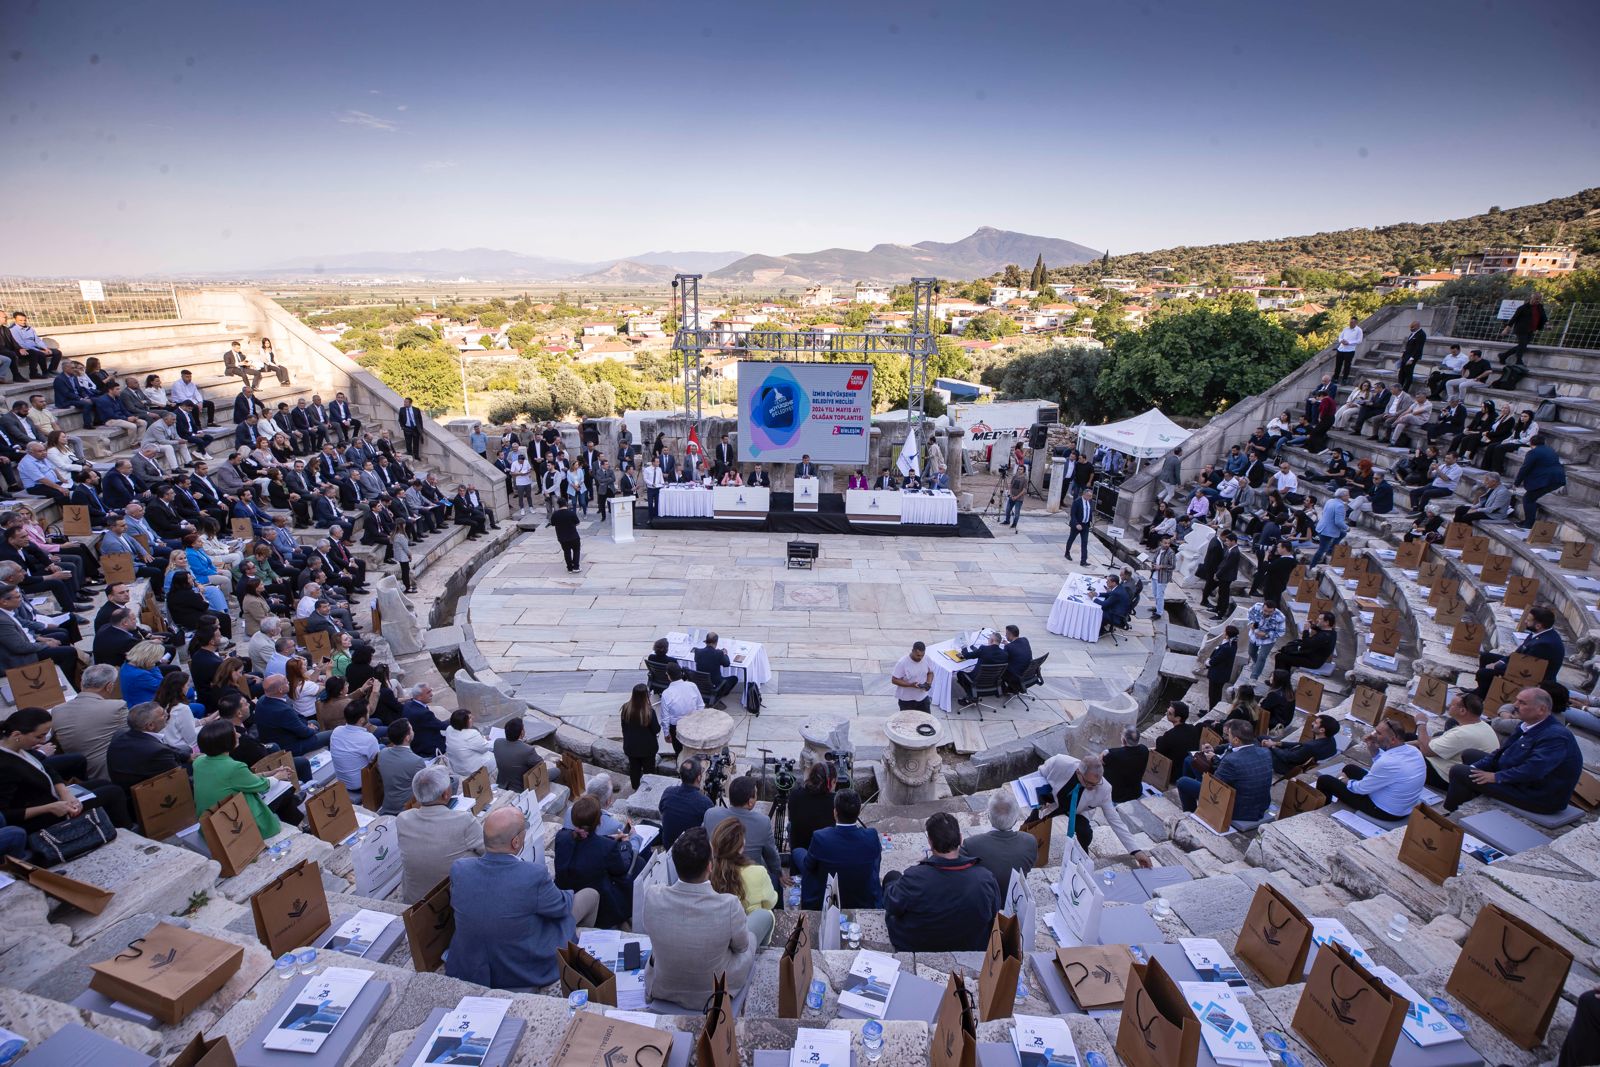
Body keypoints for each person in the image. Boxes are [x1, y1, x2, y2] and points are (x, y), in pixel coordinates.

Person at [447, 807, 592, 990]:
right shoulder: (533, 875)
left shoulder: (460, 869)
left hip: (471, 964)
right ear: (515, 842)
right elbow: (561, 907)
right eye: (524, 830)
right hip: (519, 965)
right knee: (589, 895)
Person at [642, 827, 758, 1009]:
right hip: (712, 992)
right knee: (752, 937)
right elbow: (741, 946)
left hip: (665, 985)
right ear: (710, 867)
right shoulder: (728, 905)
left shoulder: (652, 896)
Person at [1444, 687, 1582, 814]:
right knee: (1470, 755)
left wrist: (1496, 777)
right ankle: (1469, 794)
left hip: (1537, 795)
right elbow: (1500, 752)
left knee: (1458, 771)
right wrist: (1474, 767)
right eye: (1517, 700)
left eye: (1522, 703)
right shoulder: (1526, 724)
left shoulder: (1556, 736)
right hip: (1521, 780)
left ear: (1541, 709)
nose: (1515, 705)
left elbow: (1534, 771)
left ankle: (1451, 815)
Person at [882, 812, 1000, 952]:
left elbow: (891, 904)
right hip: (970, 942)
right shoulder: (984, 878)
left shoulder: (914, 878)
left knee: (891, 877)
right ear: (960, 839)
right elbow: (994, 910)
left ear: (930, 843)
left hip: (918, 942)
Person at [1035, 753, 1151, 862]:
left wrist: (1136, 850)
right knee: (1033, 821)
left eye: (1096, 783)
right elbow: (1039, 774)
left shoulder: (1104, 789)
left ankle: (1081, 858)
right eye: (1088, 782)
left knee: (1085, 833)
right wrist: (1041, 797)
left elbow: (1115, 820)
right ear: (1078, 772)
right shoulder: (1060, 762)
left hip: (1079, 810)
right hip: (1054, 799)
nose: (1092, 787)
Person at [397, 764, 486, 903]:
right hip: (452, 900)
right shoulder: (464, 820)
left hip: (414, 898)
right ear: (446, 794)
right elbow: (489, 851)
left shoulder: (402, 819)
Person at [191, 719, 292, 837]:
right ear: (225, 742)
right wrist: (279, 776)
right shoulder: (234, 767)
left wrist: (271, 773)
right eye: (234, 733)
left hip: (210, 821)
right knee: (284, 792)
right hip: (233, 822)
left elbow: (241, 779)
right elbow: (262, 785)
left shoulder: (198, 762)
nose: (239, 735)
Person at [1315, 718, 1423, 819]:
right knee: (1349, 768)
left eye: (1378, 733)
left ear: (1393, 740)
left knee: (1325, 780)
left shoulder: (1387, 762)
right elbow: (1387, 770)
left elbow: (1360, 789)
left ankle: (1319, 812)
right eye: (1375, 731)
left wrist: (1342, 779)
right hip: (1402, 805)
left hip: (1385, 811)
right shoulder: (1413, 751)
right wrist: (1373, 749)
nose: (1373, 735)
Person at [554, 795, 634, 930]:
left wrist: (609, 839)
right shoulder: (606, 847)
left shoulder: (561, 837)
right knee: (634, 867)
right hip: (599, 904)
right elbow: (621, 868)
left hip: (567, 890)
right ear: (599, 822)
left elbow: (586, 844)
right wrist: (626, 845)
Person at [792, 788, 882, 909]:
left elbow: (808, 866)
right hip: (862, 896)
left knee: (798, 852)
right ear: (859, 811)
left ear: (835, 812)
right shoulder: (871, 835)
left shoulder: (821, 837)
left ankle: (808, 900)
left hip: (829, 893)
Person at [1175, 719, 1272, 825]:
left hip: (1239, 811)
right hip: (1260, 806)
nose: (1227, 738)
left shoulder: (1231, 760)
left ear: (1236, 740)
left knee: (1182, 782)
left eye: (1229, 735)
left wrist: (1211, 763)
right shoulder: (1265, 752)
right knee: (1192, 762)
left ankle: (1194, 818)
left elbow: (1212, 787)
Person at [701, 774, 783, 897]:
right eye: (756, 794)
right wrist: (779, 873)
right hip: (748, 877)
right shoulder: (763, 822)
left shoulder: (711, 814)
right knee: (775, 879)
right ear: (750, 802)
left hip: (717, 874)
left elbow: (702, 842)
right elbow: (771, 855)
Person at [47, 664, 127, 780]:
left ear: (81, 683)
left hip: (78, 775)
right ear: (109, 687)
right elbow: (132, 738)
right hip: (111, 774)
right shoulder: (117, 706)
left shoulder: (57, 710)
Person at [709, 817, 778, 946]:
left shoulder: (707, 871)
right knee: (765, 914)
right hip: (746, 937)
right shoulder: (758, 872)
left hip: (716, 931)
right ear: (741, 845)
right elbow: (771, 901)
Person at [1413, 692, 1496, 789]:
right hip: (1465, 771)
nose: (1448, 706)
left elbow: (1426, 751)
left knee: (1404, 756)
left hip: (1446, 778)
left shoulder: (1462, 734)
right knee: (1413, 738)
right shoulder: (1482, 725)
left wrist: (1421, 723)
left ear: (1462, 711)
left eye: (1452, 705)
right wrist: (1410, 743)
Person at [1475, 606, 1564, 697]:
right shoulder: (1540, 633)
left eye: (1528, 620)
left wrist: (1496, 667)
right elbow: (1517, 653)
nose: (1525, 622)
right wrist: (1500, 662)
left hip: (1533, 678)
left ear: (1538, 625)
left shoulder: (1544, 645)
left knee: (1483, 673)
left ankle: (1481, 696)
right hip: (1522, 665)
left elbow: (1523, 668)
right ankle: (1481, 690)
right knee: (1486, 657)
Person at [960, 790, 1039, 888]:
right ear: (1016, 819)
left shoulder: (970, 845)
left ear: (989, 817)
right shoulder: (1029, 842)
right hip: (1014, 896)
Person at [256, 674, 328, 756]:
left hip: (280, 736)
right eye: (286, 682)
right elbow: (304, 732)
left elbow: (296, 719)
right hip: (290, 747)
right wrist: (311, 729)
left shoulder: (262, 700)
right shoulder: (283, 710)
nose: (289, 682)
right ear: (280, 689)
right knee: (330, 734)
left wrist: (307, 725)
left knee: (314, 722)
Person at [329, 702, 380, 802]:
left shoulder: (336, 731)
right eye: (368, 713)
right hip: (360, 785)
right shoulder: (369, 739)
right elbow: (377, 764)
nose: (369, 715)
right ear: (361, 720)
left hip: (342, 781)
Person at [659, 757, 713, 850]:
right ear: (699, 778)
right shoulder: (705, 803)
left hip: (668, 844)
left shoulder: (668, 792)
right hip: (689, 850)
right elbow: (710, 827)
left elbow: (661, 810)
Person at [1514, 435, 1566, 529]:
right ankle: (1528, 521)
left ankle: (1529, 524)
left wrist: (1517, 482)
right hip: (1558, 478)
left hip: (1546, 479)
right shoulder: (1550, 450)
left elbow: (1525, 468)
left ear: (1531, 443)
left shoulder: (1533, 452)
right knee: (1531, 497)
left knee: (1528, 499)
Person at [1262, 715, 1340, 776]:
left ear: (1322, 730)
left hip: (1285, 766)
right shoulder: (1331, 740)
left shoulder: (1311, 746)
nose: (1312, 723)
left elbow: (1287, 758)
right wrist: (1276, 743)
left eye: (1315, 723)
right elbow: (1301, 744)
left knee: (1259, 742)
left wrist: (1272, 747)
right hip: (1295, 757)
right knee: (1264, 738)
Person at [376, 719, 425, 816]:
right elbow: (425, 788)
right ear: (407, 738)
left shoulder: (382, 753)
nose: (413, 731)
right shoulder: (417, 761)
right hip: (407, 808)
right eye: (411, 729)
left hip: (388, 804)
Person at [786, 761, 836, 853]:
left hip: (800, 851)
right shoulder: (835, 801)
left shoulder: (795, 795)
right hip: (824, 854)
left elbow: (792, 818)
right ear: (829, 781)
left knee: (790, 826)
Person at [619, 684, 660, 789]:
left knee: (634, 770)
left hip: (631, 747)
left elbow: (623, 728)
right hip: (648, 749)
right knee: (649, 772)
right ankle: (648, 790)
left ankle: (635, 788)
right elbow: (656, 729)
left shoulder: (625, 709)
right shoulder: (649, 712)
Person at [955, 631, 1008, 706]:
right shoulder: (1004, 654)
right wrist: (977, 651)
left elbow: (967, 655)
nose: (988, 640)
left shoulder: (984, 649)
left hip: (976, 680)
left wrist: (964, 648)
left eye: (989, 638)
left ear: (992, 640)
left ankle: (971, 696)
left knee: (960, 674)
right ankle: (974, 694)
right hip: (992, 682)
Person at [491, 716, 543, 792]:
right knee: (557, 771)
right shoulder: (527, 750)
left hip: (502, 783)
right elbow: (540, 764)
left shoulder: (497, 742)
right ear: (522, 733)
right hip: (520, 786)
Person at [1102, 726, 1150, 804]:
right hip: (1136, 792)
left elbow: (1101, 761)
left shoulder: (1114, 755)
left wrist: (1105, 751)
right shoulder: (1144, 750)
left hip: (1117, 796)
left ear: (1124, 740)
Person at [444, 709, 496, 780]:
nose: (473, 718)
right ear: (463, 722)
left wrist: (482, 738)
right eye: (470, 717)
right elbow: (484, 748)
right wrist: (494, 740)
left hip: (457, 766)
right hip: (471, 769)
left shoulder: (449, 729)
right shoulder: (472, 733)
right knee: (497, 755)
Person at [693, 632, 740, 710]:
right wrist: (725, 654)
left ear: (706, 641)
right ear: (716, 642)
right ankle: (720, 694)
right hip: (716, 684)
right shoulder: (719, 653)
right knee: (734, 678)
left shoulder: (697, 652)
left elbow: (697, 659)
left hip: (701, 683)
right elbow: (727, 664)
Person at [7, 312, 61, 379]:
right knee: (40, 354)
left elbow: (37, 340)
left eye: (24, 320)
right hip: (25, 349)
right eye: (20, 320)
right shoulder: (12, 330)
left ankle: (52, 370)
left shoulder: (30, 328)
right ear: (15, 319)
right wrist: (39, 350)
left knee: (57, 353)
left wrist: (45, 348)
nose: (23, 322)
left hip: (35, 347)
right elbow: (21, 344)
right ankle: (45, 372)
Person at [1499, 291, 1546, 365]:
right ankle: (1518, 361)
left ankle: (1503, 355)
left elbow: (1544, 316)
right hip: (1521, 329)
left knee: (1522, 346)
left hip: (1531, 329)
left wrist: (1547, 324)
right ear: (1531, 298)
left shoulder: (1540, 307)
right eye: (1536, 299)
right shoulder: (1523, 308)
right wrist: (1506, 329)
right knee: (1522, 344)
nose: (1537, 301)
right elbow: (1514, 318)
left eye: (1539, 299)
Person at [1244, 600, 1285, 682]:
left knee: (1262, 657)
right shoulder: (1256, 607)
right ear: (1263, 607)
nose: (1266, 613)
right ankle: (1257, 665)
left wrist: (1266, 634)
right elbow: (1249, 614)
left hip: (1269, 639)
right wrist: (1251, 623)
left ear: (1274, 610)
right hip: (1254, 635)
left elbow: (1281, 632)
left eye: (1270, 612)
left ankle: (1254, 678)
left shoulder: (1280, 617)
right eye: (1265, 610)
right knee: (1251, 652)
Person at [403, 683, 448, 757]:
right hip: (426, 747)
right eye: (428, 692)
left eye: (431, 691)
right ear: (419, 697)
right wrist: (456, 719)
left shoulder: (408, 704)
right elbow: (442, 726)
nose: (432, 694)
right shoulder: (424, 713)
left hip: (415, 741)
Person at [891, 641, 933, 711]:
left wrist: (928, 683)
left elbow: (930, 672)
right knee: (907, 721)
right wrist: (911, 685)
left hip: (923, 698)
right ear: (912, 651)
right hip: (906, 700)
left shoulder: (927, 659)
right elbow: (894, 679)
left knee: (927, 720)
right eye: (918, 655)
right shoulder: (903, 662)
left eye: (922, 655)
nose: (920, 658)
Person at [1155, 701, 1201, 766]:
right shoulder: (1193, 728)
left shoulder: (1170, 735)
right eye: (1167, 710)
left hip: (1175, 768)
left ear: (1178, 718)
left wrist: (1159, 739)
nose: (1167, 713)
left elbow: (1160, 749)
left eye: (1170, 713)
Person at [1205, 625, 1239, 707]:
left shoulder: (1226, 648)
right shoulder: (1232, 644)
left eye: (1225, 632)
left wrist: (1208, 662)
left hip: (1217, 675)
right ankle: (1211, 708)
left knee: (1214, 694)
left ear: (1227, 635)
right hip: (1222, 674)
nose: (1223, 633)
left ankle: (1211, 709)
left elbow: (1217, 659)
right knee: (1215, 694)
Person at [1149, 536, 1176, 621]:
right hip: (1155, 575)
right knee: (1155, 593)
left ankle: (1159, 613)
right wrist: (1153, 565)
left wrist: (1161, 567)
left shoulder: (1171, 553)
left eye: (1168, 543)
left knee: (1160, 596)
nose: (1167, 545)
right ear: (1161, 542)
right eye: (1165, 543)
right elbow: (1154, 559)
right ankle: (1157, 608)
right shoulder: (1159, 549)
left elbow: (1172, 566)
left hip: (1163, 577)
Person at [1064, 488, 1094, 564]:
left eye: (1090, 496)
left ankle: (1083, 560)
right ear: (1084, 494)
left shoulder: (1090, 501)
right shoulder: (1077, 502)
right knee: (1071, 539)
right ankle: (1067, 553)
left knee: (1084, 542)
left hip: (1085, 525)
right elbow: (1073, 514)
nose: (1089, 497)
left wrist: (1090, 521)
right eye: (1088, 495)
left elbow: (1089, 512)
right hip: (1077, 525)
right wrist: (1076, 524)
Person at [550, 499, 581, 571]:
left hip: (562, 537)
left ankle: (569, 568)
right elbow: (577, 523)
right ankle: (576, 567)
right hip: (573, 536)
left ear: (558, 505)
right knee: (576, 551)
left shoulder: (555, 514)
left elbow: (552, 524)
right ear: (566, 504)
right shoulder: (571, 513)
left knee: (567, 552)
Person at [1333, 316, 1363, 383]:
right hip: (1341, 349)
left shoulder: (1359, 330)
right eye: (1350, 322)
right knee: (1338, 365)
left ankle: (1345, 379)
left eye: (1352, 322)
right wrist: (1342, 341)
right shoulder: (1346, 329)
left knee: (1347, 365)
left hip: (1350, 350)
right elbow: (1340, 337)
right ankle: (1335, 378)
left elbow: (1359, 341)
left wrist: (1349, 343)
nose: (1351, 323)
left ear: (1356, 323)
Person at [1003, 464, 1026, 531]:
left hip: (1019, 499)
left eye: (1021, 469)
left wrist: (1016, 497)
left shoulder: (1025, 479)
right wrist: (1010, 493)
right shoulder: (1015, 476)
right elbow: (1011, 485)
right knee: (1007, 510)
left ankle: (1014, 524)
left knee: (1016, 513)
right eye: (1019, 469)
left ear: (1024, 471)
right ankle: (1007, 521)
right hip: (1012, 496)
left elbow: (1024, 490)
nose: (1019, 470)